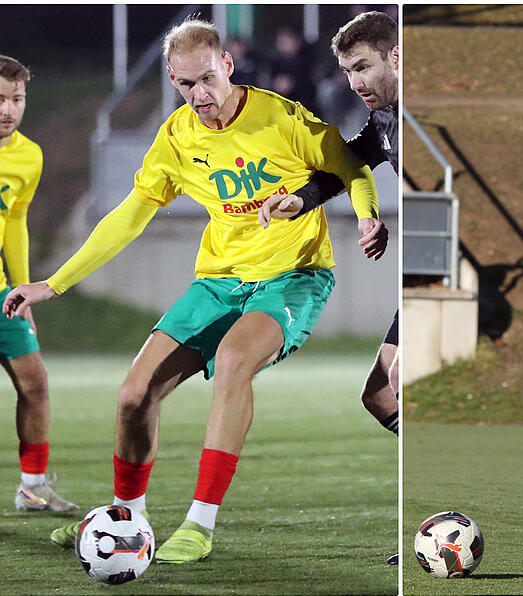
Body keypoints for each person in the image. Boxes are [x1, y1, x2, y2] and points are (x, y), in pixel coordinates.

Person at [3, 17, 379, 564]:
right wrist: (55, 284)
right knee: (134, 395)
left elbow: (351, 165)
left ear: (226, 65)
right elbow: (129, 215)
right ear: (172, 80)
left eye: (207, 79)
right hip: (218, 281)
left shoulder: (279, 116)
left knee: (231, 362)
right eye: (184, 84)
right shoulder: (178, 135)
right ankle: (125, 518)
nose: (198, 94)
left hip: (293, 276)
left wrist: (368, 216)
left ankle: (200, 523)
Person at [258, 10, 398, 565]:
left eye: (363, 67)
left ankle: (440, 514)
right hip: (420, 274)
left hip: (449, 273)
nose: (354, 82)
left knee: (407, 385)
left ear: (397, 57)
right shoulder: (386, 118)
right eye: (346, 72)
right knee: (380, 394)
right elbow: (351, 160)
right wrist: (301, 199)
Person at [0, 55, 78, 514]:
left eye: (16, 99)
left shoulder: (29, 156)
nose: (7, 109)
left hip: (0, 294)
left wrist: (22, 289)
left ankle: (32, 488)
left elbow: (14, 222)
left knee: (35, 385)